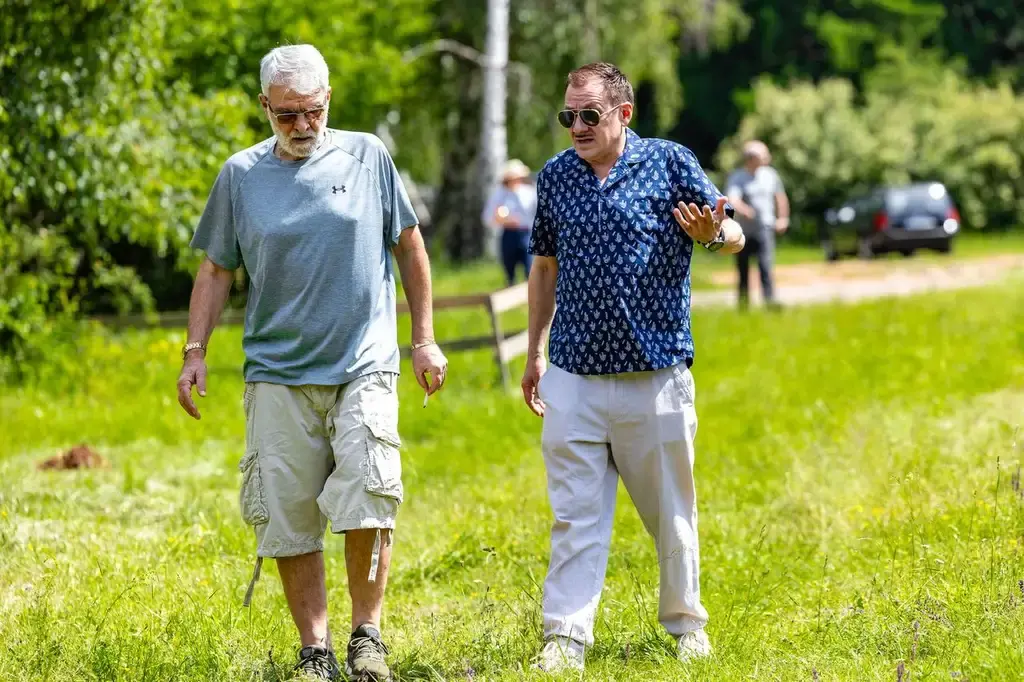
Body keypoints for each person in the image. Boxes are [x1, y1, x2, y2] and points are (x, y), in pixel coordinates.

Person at [175, 44, 448, 682]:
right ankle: (314, 650)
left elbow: (409, 245)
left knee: (369, 495)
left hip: (364, 362)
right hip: (277, 371)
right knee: (288, 513)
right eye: (287, 115)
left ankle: (367, 638)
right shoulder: (240, 175)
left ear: (329, 100)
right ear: (264, 106)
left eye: (313, 112)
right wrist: (194, 353)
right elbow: (215, 269)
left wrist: (424, 338)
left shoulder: (368, 156)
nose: (302, 126)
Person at [520, 62, 745, 673]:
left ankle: (687, 625)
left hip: (655, 373)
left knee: (671, 513)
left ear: (623, 113)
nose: (577, 126)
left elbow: (732, 233)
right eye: (569, 115)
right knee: (575, 516)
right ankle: (565, 639)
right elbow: (544, 267)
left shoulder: (669, 162)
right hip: (573, 375)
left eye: (589, 114)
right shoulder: (555, 176)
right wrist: (535, 351)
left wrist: (712, 234)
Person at [725, 139, 790, 309]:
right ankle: (743, 304)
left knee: (766, 266)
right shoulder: (738, 177)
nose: (767, 158)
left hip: (764, 228)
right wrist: (745, 210)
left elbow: (780, 198)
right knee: (743, 269)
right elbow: (732, 199)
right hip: (743, 231)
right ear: (751, 158)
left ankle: (770, 302)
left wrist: (783, 218)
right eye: (763, 155)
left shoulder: (770, 175)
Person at [481, 159, 538, 286]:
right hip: (508, 234)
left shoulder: (529, 193)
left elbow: (537, 213)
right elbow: (487, 217)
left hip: (526, 233)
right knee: (509, 268)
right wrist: (502, 220)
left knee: (530, 268)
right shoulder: (499, 195)